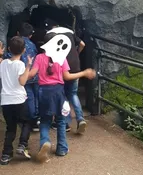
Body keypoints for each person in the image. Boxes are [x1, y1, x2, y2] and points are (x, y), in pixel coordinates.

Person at [28, 32, 96, 163]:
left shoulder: (39, 57)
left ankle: (45, 142)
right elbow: (67, 77)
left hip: (43, 92)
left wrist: (23, 70)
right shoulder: (61, 58)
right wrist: (84, 73)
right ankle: (62, 148)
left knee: (45, 121)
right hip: (58, 92)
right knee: (60, 120)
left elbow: (31, 74)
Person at [0, 36, 33, 165]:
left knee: (11, 127)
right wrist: (28, 66)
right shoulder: (20, 64)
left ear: (9, 49)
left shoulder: (3, 63)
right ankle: (22, 144)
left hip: (6, 101)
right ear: (24, 50)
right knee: (27, 122)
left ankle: (6, 155)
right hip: (18, 99)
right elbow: (22, 82)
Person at [48, 27, 87, 134]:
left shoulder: (50, 34)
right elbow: (82, 44)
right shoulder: (70, 32)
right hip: (75, 65)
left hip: (61, 66)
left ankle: (64, 123)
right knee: (73, 94)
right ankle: (80, 119)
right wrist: (77, 53)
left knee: (62, 94)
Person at [5, 23, 39, 132]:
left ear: (18, 33)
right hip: (34, 75)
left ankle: (32, 120)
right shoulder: (33, 45)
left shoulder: (15, 45)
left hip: (24, 76)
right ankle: (37, 118)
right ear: (30, 35)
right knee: (36, 97)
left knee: (29, 99)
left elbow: (9, 58)